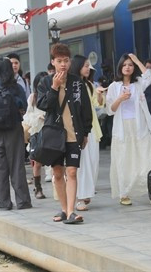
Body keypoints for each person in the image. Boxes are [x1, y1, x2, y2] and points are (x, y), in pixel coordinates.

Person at [37, 45, 92, 224]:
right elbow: (43, 105)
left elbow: (86, 108)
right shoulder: (45, 82)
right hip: (55, 136)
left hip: (74, 134)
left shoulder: (77, 82)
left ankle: (70, 212)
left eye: (66, 61)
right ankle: (63, 209)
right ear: (53, 62)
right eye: (59, 61)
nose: (63, 64)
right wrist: (54, 87)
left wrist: (86, 132)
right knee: (58, 172)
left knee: (72, 172)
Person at [106, 53, 151, 206]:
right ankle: (124, 193)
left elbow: (149, 77)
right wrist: (120, 98)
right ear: (120, 67)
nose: (127, 67)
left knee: (147, 159)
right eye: (125, 65)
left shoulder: (139, 83)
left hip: (140, 126)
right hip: (122, 129)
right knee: (123, 160)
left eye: (130, 65)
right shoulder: (114, 86)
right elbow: (110, 110)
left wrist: (137, 60)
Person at [0, 58, 32, 211]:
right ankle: (23, 201)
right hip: (13, 129)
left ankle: (4, 203)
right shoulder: (16, 87)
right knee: (17, 165)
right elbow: (24, 106)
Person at [70, 56, 104, 212]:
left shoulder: (89, 85)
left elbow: (98, 104)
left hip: (92, 129)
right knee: (82, 165)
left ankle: (86, 193)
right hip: (79, 129)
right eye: (85, 66)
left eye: (88, 66)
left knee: (92, 163)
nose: (88, 69)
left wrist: (98, 94)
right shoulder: (72, 85)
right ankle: (79, 197)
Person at [22, 72, 49, 199]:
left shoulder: (52, 94)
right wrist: (38, 117)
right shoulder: (33, 97)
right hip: (37, 132)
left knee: (55, 162)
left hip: (50, 131)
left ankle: (58, 186)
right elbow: (27, 116)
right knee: (37, 162)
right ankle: (38, 188)